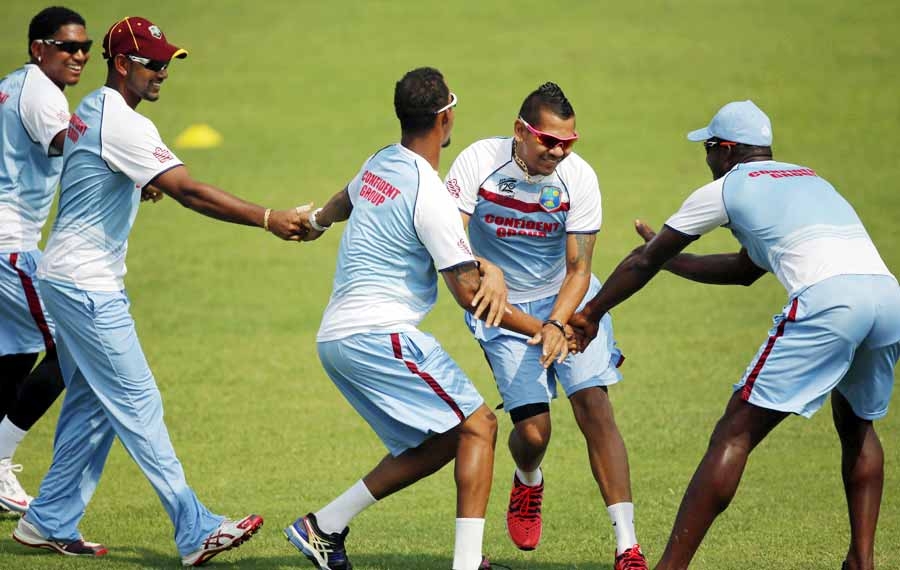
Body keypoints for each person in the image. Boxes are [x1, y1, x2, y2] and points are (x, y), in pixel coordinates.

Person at [11, 16, 305, 566]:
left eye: (168, 62)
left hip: (65, 277)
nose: (163, 72)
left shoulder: (95, 110)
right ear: (122, 63)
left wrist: (134, 183)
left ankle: (46, 520)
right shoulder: (122, 123)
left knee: (94, 404)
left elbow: (91, 168)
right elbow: (190, 191)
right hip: (87, 286)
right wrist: (269, 217)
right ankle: (193, 527)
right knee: (138, 401)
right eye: (153, 63)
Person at [570, 100, 899, 570]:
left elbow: (644, 260)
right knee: (857, 425)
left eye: (708, 150)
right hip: (887, 299)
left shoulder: (728, 186)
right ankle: (861, 563)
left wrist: (592, 314)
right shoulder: (809, 178)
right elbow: (745, 269)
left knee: (734, 433)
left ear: (724, 150)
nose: (707, 161)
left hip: (830, 302)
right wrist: (670, 262)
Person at [283, 67, 537, 570]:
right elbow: (469, 295)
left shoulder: (381, 161)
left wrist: (314, 223)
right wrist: (544, 329)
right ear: (447, 117)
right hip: (380, 335)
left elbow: (345, 198)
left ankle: (324, 527)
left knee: (447, 437)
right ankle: (467, 566)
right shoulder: (433, 196)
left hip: (337, 338)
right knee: (482, 426)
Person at [443, 82, 647, 569]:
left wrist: (557, 322)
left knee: (594, 406)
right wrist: (486, 267)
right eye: (548, 141)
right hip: (504, 308)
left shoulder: (579, 178)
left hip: (568, 300)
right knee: (534, 433)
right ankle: (528, 480)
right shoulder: (478, 162)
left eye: (568, 143)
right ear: (520, 130)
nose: (558, 152)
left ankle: (628, 547)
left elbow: (579, 269)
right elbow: (448, 236)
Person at [0, 6, 91, 514]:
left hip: (6, 240)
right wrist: (133, 172)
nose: (78, 56)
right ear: (39, 48)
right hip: (11, 243)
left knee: (13, 355)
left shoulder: (12, 85)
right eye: (67, 47)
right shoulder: (39, 91)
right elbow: (73, 146)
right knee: (71, 345)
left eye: (83, 47)